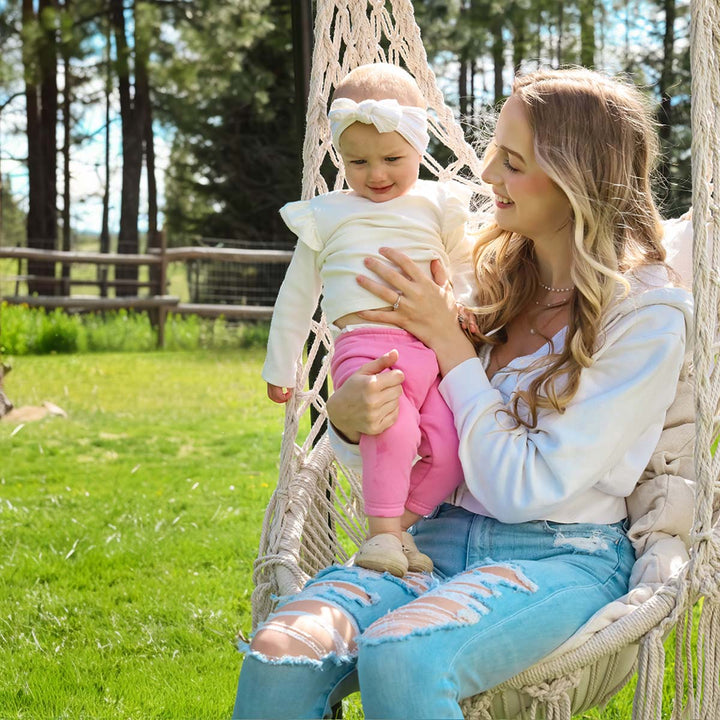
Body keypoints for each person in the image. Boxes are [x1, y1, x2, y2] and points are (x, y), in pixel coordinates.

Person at [235, 67, 692, 719]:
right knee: (281, 649)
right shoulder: (481, 281)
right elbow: (405, 449)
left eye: (512, 162)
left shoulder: (645, 317)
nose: (485, 174)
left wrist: (450, 345)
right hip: (432, 542)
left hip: (561, 558)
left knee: (403, 652)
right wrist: (349, 419)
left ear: (575, 181)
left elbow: (523, 488)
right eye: (495, 152)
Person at [262, 63, 475, 577]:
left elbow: (465, 265)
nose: (375, 175)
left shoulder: (437, 202)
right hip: (364, 345)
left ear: (420, 147)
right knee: (392, 429)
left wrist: (471, 311)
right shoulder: (328, 213)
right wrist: (280, 366)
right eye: (357, 161)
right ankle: (381, 536)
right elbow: (296, 295)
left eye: (392, 159)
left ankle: (396, 529)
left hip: (431, 350)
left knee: (450, 451)